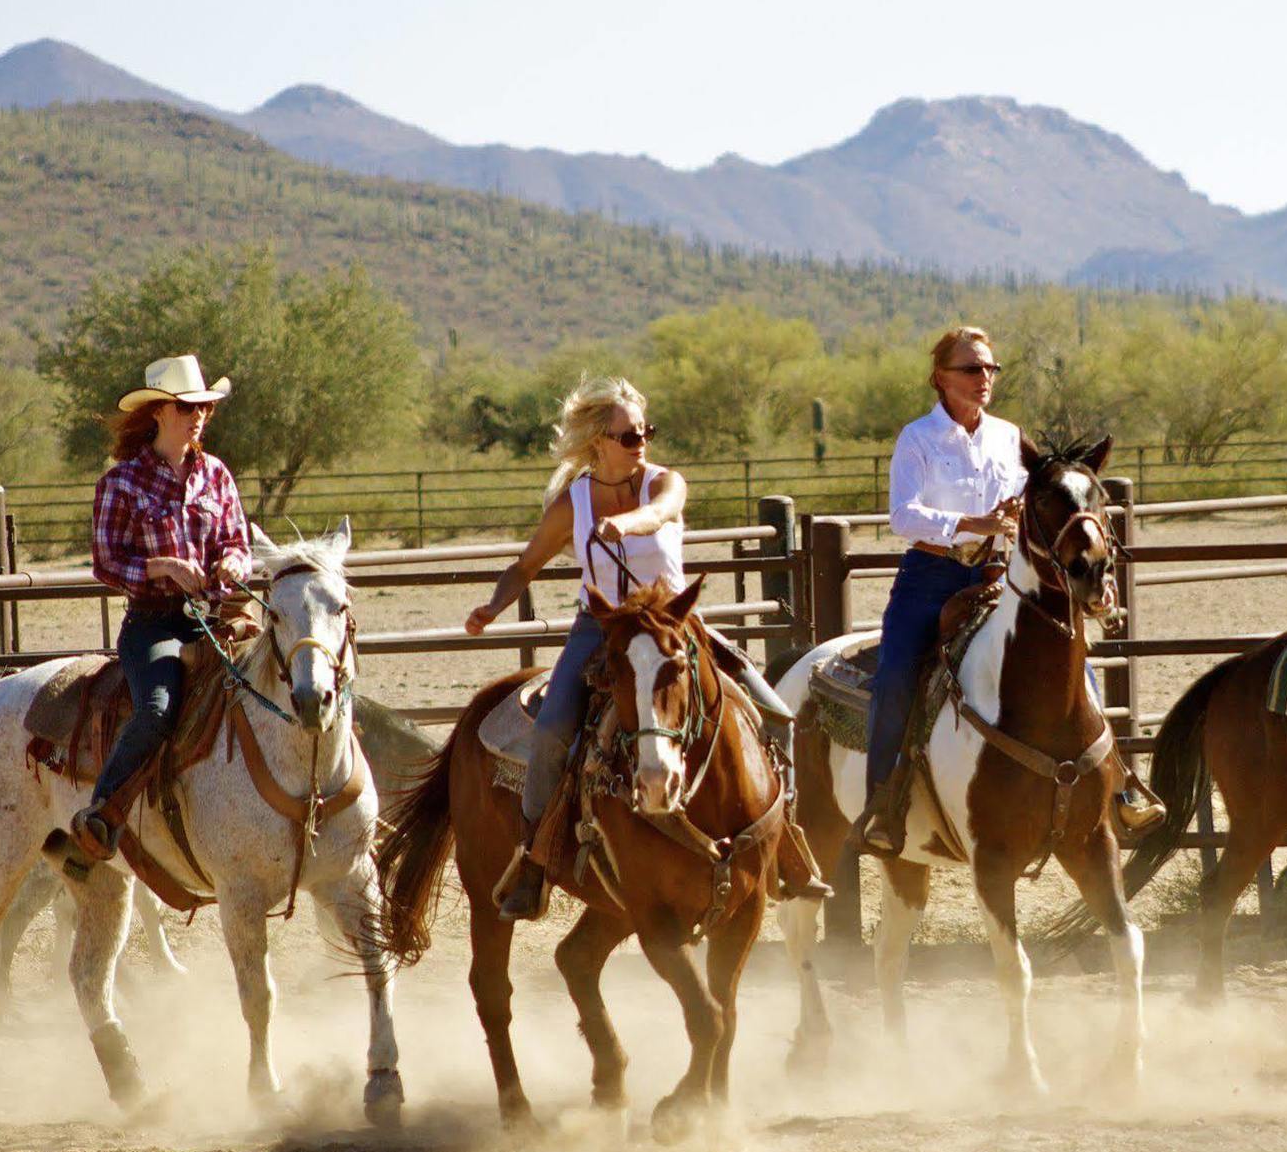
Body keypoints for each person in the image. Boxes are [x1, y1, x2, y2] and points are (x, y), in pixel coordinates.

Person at [467, 376, 828, 921]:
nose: (641, 443)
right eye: (628, 436)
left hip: (674, 623)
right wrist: (492, 608)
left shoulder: (666, 482)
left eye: (645, 432)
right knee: (549, 732)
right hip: (604, 626)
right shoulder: (572, 504)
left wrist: (625, 524)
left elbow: (659, 514)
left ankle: (787, 845)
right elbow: (525, 566)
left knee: (776, 714)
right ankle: (534, 859)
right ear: (598, 442)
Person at [853, 326, 1164, 857]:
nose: (985, 379)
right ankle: (884, 801)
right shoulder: (918, 439)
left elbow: (1038, 506)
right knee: (898, 673)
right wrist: (974, 522)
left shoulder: (1008, 438)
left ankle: (1117, 783)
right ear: (941, 378)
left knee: (1071, 661)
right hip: (932, 577)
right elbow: (902, 517)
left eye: (991, 369)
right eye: (972, 369)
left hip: (1001, 578)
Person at [72, 355, 251, 860]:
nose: (198, 417)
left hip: (218, 619)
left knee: (282, 682)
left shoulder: (215, 475)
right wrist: (164, 567)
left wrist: (233, 564)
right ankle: (101, 813)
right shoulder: (121, 482)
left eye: (204, 408)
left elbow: (237, 541)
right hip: (155, 626)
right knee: (155, 710)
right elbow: (106, 562)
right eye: (186, 407)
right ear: (158, 412)